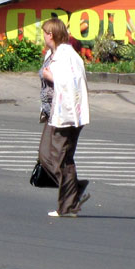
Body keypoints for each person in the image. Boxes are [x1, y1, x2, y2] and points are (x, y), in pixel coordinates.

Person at [38, 17, 91, 218]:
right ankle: (74, 188)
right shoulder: (53, 55)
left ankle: (68, 206)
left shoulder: (68, 56)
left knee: (61, 158)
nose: (43, 36)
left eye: (44, 32)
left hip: (66, 115)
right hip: (52, 113)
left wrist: (52, 78)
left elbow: (73, 84)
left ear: (50, 34)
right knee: (45, 156)